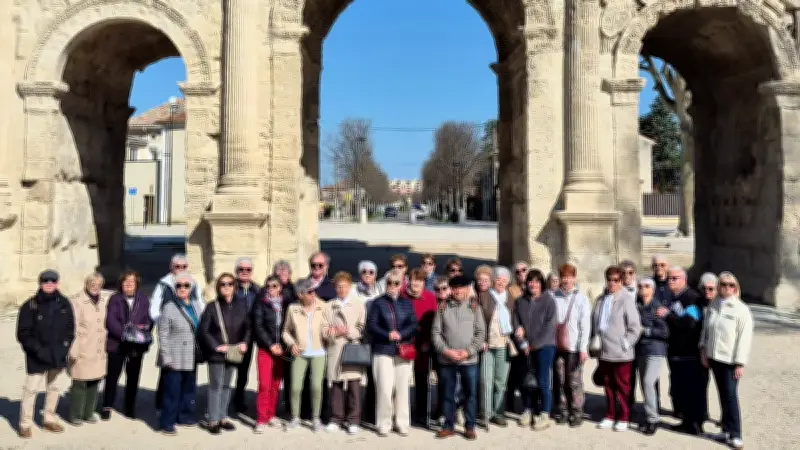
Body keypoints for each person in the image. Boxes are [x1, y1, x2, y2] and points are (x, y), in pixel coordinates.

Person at [16, 269, 75, 438]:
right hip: (37, 354)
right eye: (45, 280)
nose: (49, 283)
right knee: (31, 389)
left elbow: (70, 328)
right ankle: (25, 424)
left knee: (54, 387)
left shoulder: (64, 303)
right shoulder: (30, 305)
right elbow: (23, 333)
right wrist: (37, 350)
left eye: (53, 280)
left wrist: (65, 346)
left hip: (57, 353)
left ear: (57, 283)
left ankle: (48, 419)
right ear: (40, 283)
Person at [700, 272, 753, 450]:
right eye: (723, 284)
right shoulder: (713, 305)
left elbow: (744, 339)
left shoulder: (741, 309)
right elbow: (706, 331)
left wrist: (740, 362)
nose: (727, 288)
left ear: (736, 287)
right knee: (722, 395)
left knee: (730, 396)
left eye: (731, 285)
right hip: (714, 358)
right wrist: (703, 350)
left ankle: (736, 434)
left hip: (730, 360)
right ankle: (726, 429)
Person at [432, 275, 486, 440]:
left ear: (467, 289)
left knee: (470, 393)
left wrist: (468, 351)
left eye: (461, 287)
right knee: (448, 394)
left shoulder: (474, 307)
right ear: (451, 289)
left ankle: (470, 426)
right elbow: (435, 334)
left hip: (468, 360)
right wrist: (446, 351)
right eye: (454, 287)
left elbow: (480, 333)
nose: (457, 291)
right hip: (447, 359)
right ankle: (449, 426)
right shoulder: (442, 307)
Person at [367, 269, 418, 437]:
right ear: (386, 284)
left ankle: (402, 422)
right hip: (383, 350)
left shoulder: (406, 303)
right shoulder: (377, 303)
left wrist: (401, 334)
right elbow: (372, 325)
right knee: (384, 388)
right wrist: (387, 334)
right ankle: (383, 423)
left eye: (397, 283)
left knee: (402, 389)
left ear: (402, 284)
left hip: (403, 350)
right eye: (390, 283)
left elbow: (413, 324)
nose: (393, 286)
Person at [198, 273, 251, 434]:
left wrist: (245, 342)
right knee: (216, 386)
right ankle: (213, 420)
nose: (226, 287)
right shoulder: (211, 307)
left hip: (234, 351)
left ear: (235, 287)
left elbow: (248, 327)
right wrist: (216, 346)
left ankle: (223, 416)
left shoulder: (242, 305)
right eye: (223, 284)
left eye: (229, 284)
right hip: (217, 353)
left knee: (227, 385)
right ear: (218, 287)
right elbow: (203, 331)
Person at [150, 254, 203, 413]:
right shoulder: (164, 284)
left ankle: (183, 408)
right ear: (171, 267)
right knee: (168, 375)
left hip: (190, 337)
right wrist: (163, 322)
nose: (180, 269)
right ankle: (162, 406)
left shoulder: (192, 282)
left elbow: (199, 303)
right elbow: (155, 306)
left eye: (183, 267)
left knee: (188, 376)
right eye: (177, 266)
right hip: (173, 334)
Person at [656, 266, 706, 435]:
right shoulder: (673, 297)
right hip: (676, 351)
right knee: (681, 390)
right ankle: (687, 421)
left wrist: (668, 315)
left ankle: (695, 424)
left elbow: (690, 324)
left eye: (675, 278)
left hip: (689, 353)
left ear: (684, 280)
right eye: (669, 278)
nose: (670, 281)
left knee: (692, 390)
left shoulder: (691, 298)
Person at [592, 266, 642, 432]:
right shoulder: (601, 299)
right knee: (608, 385)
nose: (612, 283)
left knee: (623, 387)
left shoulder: (626, 299)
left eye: (616, 280)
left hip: (621, 353)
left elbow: (635, 327)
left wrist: (625, 343)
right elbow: (595, 322)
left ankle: (624, 416)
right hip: (604, 352)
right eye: (610, 279)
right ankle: (610, 414)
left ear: (621, 281)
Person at [157, 271, 204, 435]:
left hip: (191, 355)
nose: (182, 288)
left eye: (186, 285)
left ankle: (184, 416)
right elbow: (162, 334)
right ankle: (167, 422)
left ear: (191, 288)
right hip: (175, 356)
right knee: (172, 391)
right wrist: (166, 357)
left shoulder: (196, 305)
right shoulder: (168, 307)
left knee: (189, 389)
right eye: (178, 285)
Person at [103, 271, 153, 421]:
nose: (129, 284)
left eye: (132, 281)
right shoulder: (114, 299)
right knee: (112, 376)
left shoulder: (143, 299)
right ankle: (107, 405)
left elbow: (149, 319)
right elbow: (110, 321)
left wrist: (142, 331)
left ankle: (129, 406)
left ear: (137, 283)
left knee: (133, 377)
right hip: (117, 343)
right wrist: (125, 334)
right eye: (125, 281)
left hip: (136, 345)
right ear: (121, 284)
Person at [513, 269, 558, 430]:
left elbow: (550, 326)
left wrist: (534, 344)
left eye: (536, 281)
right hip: (526, 348)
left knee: (543, 381)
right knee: (526, 381)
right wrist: (523, 343)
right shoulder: (520, 302)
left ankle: (545, 414)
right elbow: (516, 322)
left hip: (545, 347)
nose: (533, 284)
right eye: (530, 281)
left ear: (542, 284)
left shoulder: (549, 301)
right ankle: (528, 409)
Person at [283, 278, 329, 432]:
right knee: (295, 387)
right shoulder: (292, 308)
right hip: (300, 352)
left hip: (319, 352)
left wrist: (329, 333)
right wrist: (291, 344)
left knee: (316, 387)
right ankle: (295, 418)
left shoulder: (323, 306)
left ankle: (316, 419)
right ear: (300, 294)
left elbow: (328, 327)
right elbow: (285, 331)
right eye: (310, 292)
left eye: (314, 291)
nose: (313, 294)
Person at [323, 272, 366, 434]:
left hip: (352, 347)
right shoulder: (329, 306)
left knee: (354, 385)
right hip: (335, 348)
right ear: (335, 287)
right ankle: (336, 418)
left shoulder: (358, 304)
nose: (342, 289)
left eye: (345, 286)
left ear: (350, 287)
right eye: (339, 286)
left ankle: (354, 419)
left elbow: (362, 327)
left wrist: (348, 331)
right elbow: (324, 329)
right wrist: (334, 331)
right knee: (336, 385)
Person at [551, 263, 591, 427]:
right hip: (557, 345)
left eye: (569, 277)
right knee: (560, 379)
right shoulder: (554, 297)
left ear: (574, 278)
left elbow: (585, 325)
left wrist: (583, 348)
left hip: (574, 346)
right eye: (563, 277)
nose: (566, 280)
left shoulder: (581, 299)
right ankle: (563, 409)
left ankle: (577, 410)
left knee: (574, 380)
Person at [476, 266, 516, 428]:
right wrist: (481, 339)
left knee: (500, 381)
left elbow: (516, 320)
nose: (501, 281)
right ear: (494, 280)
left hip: (504, 344)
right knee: (486, 380)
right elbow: (478, 320)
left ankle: (498, 413)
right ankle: (485, 413)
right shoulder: (484, 296)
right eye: (498, 278)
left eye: (504, 279)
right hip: (487, 344)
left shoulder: (511, 299)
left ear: (508, 282)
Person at [67, 272, 109, 425]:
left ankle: (88, 412)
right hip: (82, 347)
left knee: (94, 381)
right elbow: (73, 327)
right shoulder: (77, 301)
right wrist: (73, 349)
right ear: (87, 284)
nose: (95, 287)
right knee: (79, 382)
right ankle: (75, 414)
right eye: (93, 284)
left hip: (98, 348)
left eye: (98, 284)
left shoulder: (104, 300)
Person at [629, 277, 669, 435]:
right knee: (644, 384)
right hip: (640, 351)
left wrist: (645, 331)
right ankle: (648, 415)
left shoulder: (657, 307)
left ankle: (653, 419)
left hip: (655, 351)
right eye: (640, 286)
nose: (642, 289)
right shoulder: (636, 306)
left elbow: (665, 331)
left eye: (646, 286)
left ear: (652, 290)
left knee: (647, 382)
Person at [252, 275, 289, 432]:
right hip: (265, 349)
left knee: (275, 384)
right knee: (264, 384)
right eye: (268, 286)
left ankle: (270, 414)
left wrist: (282, 345)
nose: (271, 289)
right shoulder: (261, 303)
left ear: (280, 287)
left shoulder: (286, 304)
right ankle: (261, 419)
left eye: (274, 286)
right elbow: (258, 326)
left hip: (281, 350)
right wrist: (270, 345)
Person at [403, 268, 438, 425]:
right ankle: (404, 413)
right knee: (403, 380)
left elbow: (434, 323)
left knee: (422, 380)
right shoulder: (402, 296)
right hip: (405, 344)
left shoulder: (430, 298)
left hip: (423, 346)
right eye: (413, 279)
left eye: (419, 280)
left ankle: (422, 413)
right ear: (408, 280)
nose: (415, 283)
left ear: (424, 282)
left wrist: (428, 341)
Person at [352, 259, 383, 426]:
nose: (367, 275)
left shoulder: (379, 292)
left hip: (374, 340)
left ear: (375, 275)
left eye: (371, 272)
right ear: (360, 274)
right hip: (358, 339)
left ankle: (371, 413)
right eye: (364, 271)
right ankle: (354, 414)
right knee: (354, 378)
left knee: (373, 379)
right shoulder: (353, 291)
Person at [232, 257, 261, 413]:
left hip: (249, 336)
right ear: (236, 271)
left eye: (248, 270)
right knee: (229, 369)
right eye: (241, 269)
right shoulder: (230, 286)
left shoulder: (257, 290)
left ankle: (239, 399)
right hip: (232, 335)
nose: (244, 272)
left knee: (243, 370)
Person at [505, 261, 528, 413]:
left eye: (523, 270)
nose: (521, 273)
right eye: (517, 272)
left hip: (532, 336)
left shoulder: (536, 288)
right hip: (515, 335)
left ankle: (529, 404)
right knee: (514, 372)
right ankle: (509, 403)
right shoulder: (511, 291)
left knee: (530, 372)